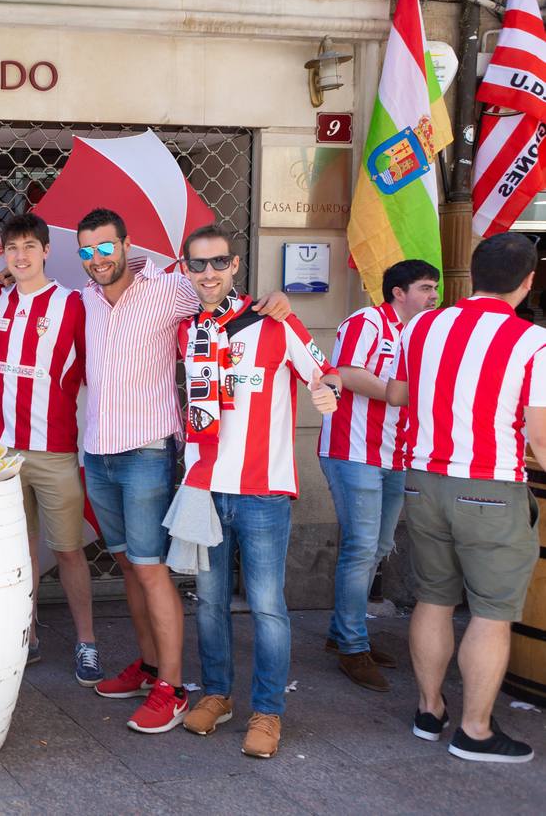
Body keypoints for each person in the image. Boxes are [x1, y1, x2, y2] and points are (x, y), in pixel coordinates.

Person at [75, 208, 291, 735]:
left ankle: (173, 688)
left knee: (151, 568)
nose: (98, 259)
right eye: (87, 251)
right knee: (128, 565)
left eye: (106, 247)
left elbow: (216, 289)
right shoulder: (82, 297)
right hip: (98, 453)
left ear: (126, 245)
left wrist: (275, 301)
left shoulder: (169, 287)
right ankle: (150, 668)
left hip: (147, 450)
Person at [172, 225, 338, 759]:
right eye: (197, 265)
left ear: (236, 265)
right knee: (210, 603)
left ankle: (268, 709)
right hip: (204, 487)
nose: (208, 274)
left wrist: (327, 392)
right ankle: (217, 694)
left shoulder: (275, 322)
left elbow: (325, 373)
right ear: (185, 269)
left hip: (262, 491)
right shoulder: (185, 329)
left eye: (217, 262)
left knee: (267, 606)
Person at [387, 232, 543, 765]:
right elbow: (540, 439)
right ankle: (475, 730)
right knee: (492, 612)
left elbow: (400, 395)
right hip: (493, 487)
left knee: (433, 598)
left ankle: (430, 712)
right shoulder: (532, 342)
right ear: (529, 281)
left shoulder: (422, 326)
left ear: (470, 275)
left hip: (422, 481)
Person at [0, 213, 99, 684]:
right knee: (19, 550)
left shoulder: (75, 304)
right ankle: (24, 635)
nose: (22, 255)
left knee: (69, 550)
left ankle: (87, 641)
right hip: (2, 451)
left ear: (47, 250)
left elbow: (99, 366)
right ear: (4, 255)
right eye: (13, 248)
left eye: (31, 246)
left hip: (54, 450)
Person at [317, 259, 439, 692]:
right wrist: (395, 392)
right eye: (425, 288)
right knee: (361, 548)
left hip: (395, 455)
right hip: (353, 452)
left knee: (379, 546)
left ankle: (342, 634)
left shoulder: (421, 333)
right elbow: (345, 373)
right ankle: (352, 646)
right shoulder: (367, 321)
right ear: (398, 292)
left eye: (434, 288)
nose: (433, 296)